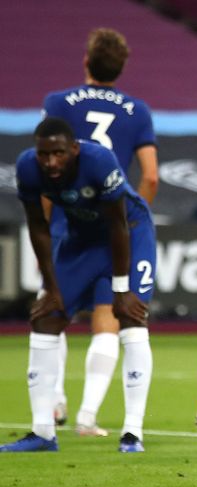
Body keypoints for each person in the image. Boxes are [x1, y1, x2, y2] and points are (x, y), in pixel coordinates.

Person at [1, 118, 155, 453]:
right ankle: (42, 432)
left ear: (74, 148)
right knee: (46, 318)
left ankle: (132, 432)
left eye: (58, 153)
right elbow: (38, 226)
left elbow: (118, 224)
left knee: (131, 317)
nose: (51, 162)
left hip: (131, 232)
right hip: (81, 239)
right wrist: (51, 287)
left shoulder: (99, 161)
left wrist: (120, 289)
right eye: (44, 154)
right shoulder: (28, 167)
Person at [40, 28, 159, 437]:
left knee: (52, 314)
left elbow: (46, 169)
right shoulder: (137, 110)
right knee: (110, 318)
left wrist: (51, 218)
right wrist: (127, 214)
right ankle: (88, 417)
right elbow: (152, 177)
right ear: (121, 67)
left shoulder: (58, 103)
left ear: (86, 61)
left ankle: (55, 403)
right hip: (114, 226)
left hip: (68, 225)